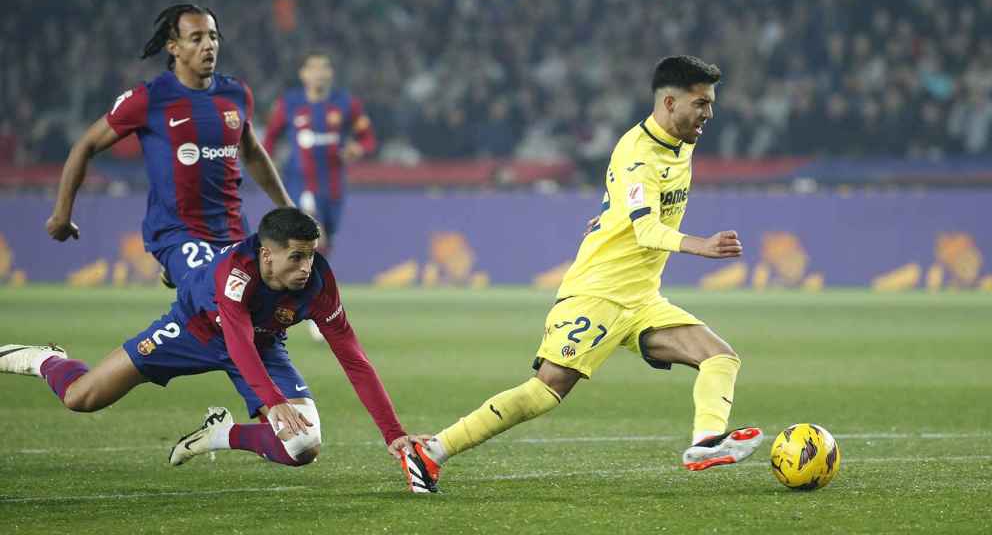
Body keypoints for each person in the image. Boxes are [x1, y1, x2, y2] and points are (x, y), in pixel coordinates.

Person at [400, 56, 763, 493]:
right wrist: (699, 244)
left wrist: (608, 214)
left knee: (720, 357)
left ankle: (706, 442)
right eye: (701, 103)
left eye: (710, 103)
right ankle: (429, 452)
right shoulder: (638, 154)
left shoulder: (681, 140)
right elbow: (646, 228)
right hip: (598, 292)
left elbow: (629, 202)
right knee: (546, 389)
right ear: (669, 102)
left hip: (643, 298)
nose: (709, 114)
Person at [2, 208, 427, 482]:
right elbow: (235, 341)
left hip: (261, 346)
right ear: (266, 255)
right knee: (81, 398)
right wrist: (273, 402)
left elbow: (353, 359)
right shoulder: (236, 273)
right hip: (194, 331)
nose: (306, 266)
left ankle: (221, 433)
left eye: (311, 255)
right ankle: (46, 360)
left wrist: (393, 432)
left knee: (302, 447)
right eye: (295, 257)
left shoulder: (318, 285)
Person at [45, 4, 293, 288]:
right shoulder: (150, 99)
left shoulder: (236, 94)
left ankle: (181, 273)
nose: (208, 45)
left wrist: (287, 207)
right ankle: (179, 264)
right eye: (196, 38)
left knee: (258, 313)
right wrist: (62, 215)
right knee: (218, 298)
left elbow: (251, 153)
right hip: (176, 231)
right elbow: (85, 145)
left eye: (213, 36)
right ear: (173, 47)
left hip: (232, 229)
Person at [262, 50, 376, 256]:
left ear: (332, 73)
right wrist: (270, 163)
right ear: (302, 74)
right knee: (312, 231)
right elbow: (269, 138)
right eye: (313, 67)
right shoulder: (288, 104)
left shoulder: (347, 104)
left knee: (325, 241)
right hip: (299, 180)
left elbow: (368, 138)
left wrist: (357, 148)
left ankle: (310, 283)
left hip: (333, 183)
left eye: (324, 67)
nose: (319, 73)